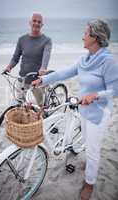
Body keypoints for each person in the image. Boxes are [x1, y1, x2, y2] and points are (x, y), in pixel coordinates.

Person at [32, 19, 118, 200]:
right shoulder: (85, 60)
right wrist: (44, 80)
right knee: (87, 141)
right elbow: (65, 72)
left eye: (86, 33)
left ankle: (89, 183)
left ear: (95, 37)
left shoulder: (108, 62)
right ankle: (88, 166)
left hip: (99, 113)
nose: (82, 37)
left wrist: (96, 95)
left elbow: (115, 90)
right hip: (83, 109)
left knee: (93, 151)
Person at [3, 13, 52, 105]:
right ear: (30, 22)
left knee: (41, 106)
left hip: (38, 81)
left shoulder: (47, 41)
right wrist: (8, 67)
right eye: (34, 21)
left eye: (39, 22)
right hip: (23, 80)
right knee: (20, 106)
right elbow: (15, 58)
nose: (36, 23)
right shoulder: (22, 39)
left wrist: (43, 68)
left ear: (42, 25)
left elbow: (46, 56)